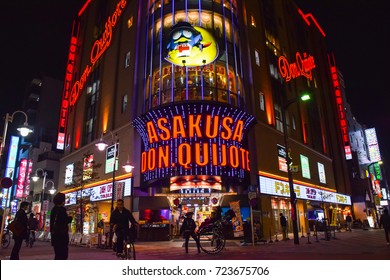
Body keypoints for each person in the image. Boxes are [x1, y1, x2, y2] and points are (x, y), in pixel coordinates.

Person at [50, 192, 73, 260]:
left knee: (57, 254)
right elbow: (64, 221)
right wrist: (70, 217)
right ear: (62, 201)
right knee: (63, 255)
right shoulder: (62, 210)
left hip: (55, 235)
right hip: (62, 236)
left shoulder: (53, 209)